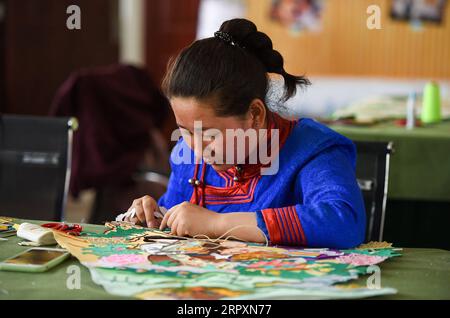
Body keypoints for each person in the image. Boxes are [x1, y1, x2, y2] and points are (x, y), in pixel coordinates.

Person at [121, 18, 366, 248]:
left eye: (208, 133)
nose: (195, 147)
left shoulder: (311, 150)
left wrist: (217, 224)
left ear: (255, 115)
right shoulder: (189, 157)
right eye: (184, 131)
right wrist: (153, 215)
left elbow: (344, 221)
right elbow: (177, 218)